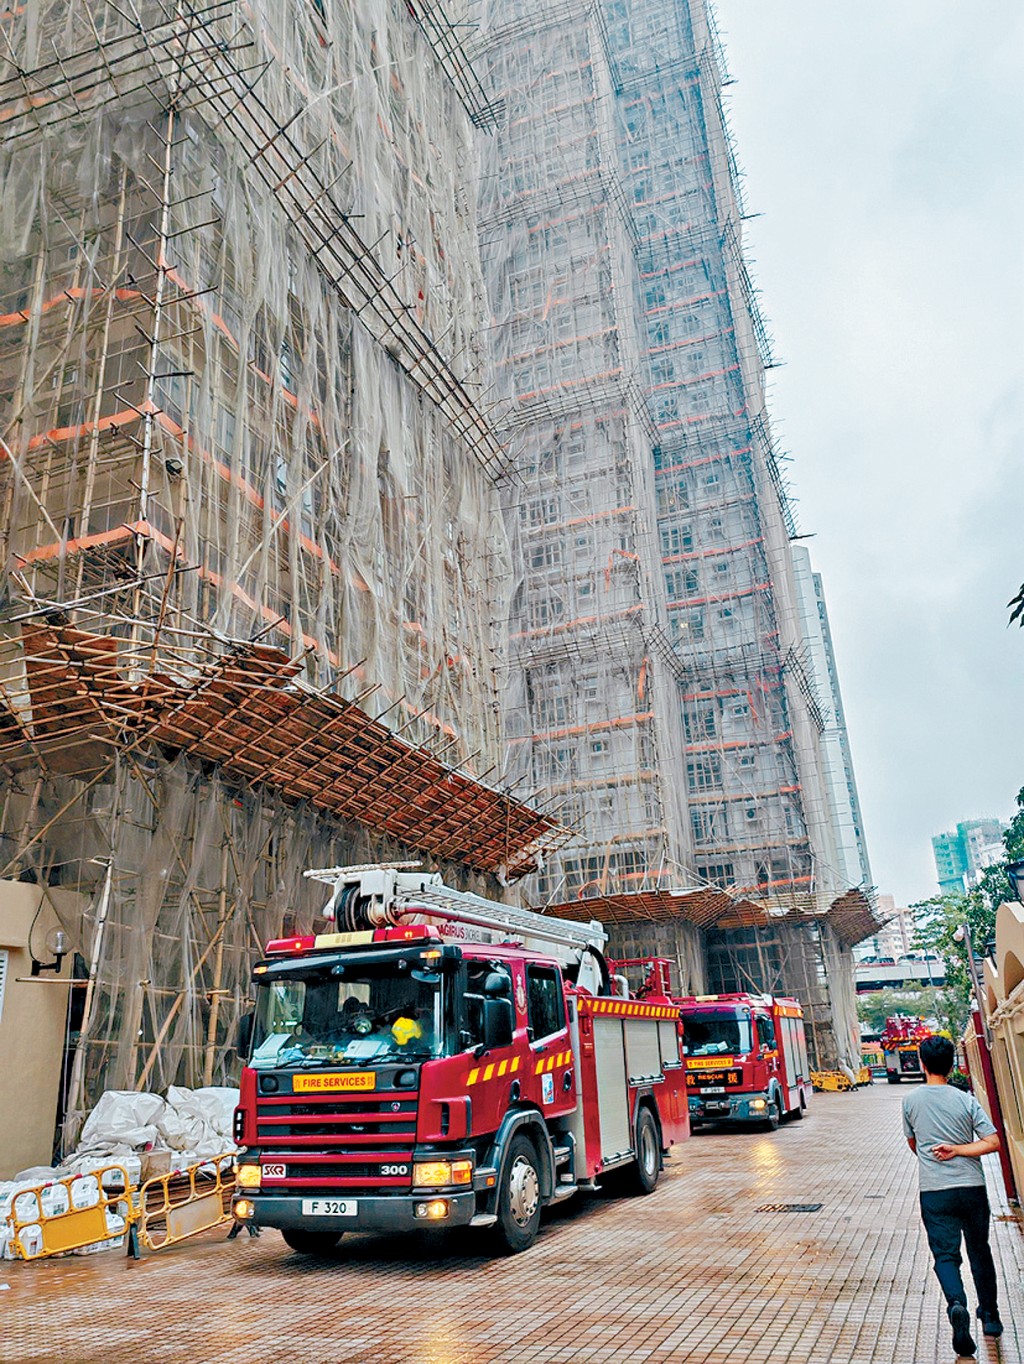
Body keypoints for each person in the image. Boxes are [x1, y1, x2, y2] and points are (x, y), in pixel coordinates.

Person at [902, 1034, 1003, 1358]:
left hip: (935, 1192)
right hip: (971, 1189)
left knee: (946, 1256)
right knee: (979, 1251)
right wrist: (961, 1149)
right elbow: (992, 1141)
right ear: (952, 1064)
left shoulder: (911, 1101)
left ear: (922, 1063)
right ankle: (990, 1317)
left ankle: (956, 1304)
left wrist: (939, 1157)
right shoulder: (965, 1100)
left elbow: (914, 1145)